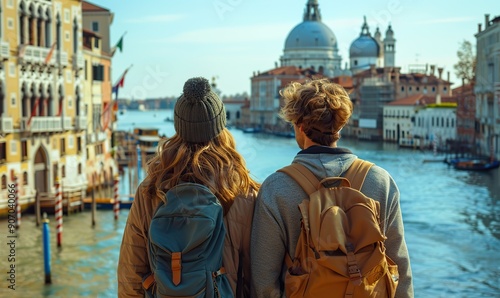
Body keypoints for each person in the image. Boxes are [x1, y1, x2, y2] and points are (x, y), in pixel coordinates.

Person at [250, 78, 414, 297]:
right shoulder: (380, 181)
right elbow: (400, 270)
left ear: (299, 126)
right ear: (341, 125)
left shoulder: (276, 188)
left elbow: (264, 283)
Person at [118, 77, 260, 297]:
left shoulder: (150, 189)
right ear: (220, 127)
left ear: (179, 128)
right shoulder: (243, 191)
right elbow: (256, 278)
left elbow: (131, 274)